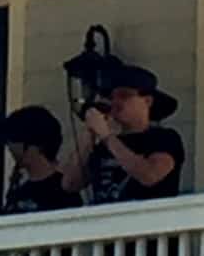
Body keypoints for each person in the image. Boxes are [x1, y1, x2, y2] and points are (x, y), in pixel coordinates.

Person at [63, 64, 185, 204]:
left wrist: (107, 136)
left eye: (124, 95)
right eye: (111, 97)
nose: (115, 102)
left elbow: (149, 176)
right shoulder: (104, 146)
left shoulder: (165, 138)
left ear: (147, 101)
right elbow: (70, 185)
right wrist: (89, 134)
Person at [2, 106, 82, 214]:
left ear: (34, 145)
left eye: (14, 140)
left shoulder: (66, 189)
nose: (9, 146)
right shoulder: (18, 192)